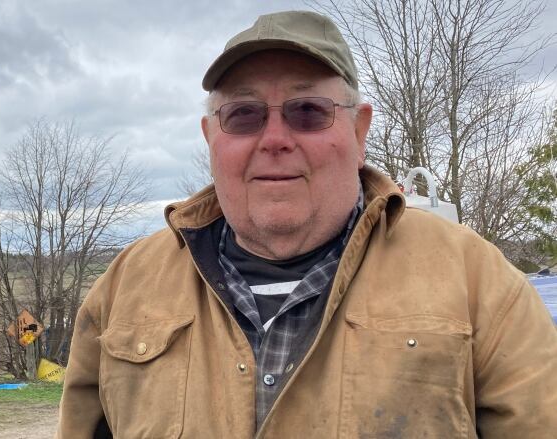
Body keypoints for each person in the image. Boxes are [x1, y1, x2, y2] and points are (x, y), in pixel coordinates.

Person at [56, 11, 557, 438]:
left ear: (359, 131)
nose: (274, 138)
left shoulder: (477, 281)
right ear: (211, 137)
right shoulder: (125, 287)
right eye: (244, 114)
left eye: (308, 111)